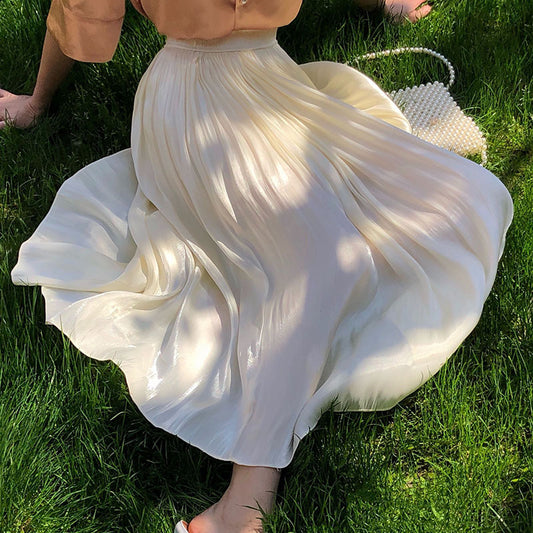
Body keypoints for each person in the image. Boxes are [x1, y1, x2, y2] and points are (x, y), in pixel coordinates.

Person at [4, 1, 512, 533]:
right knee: (327, 261)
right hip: (191, 104)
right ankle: (246, 495)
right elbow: (80, 8)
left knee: (472, 196)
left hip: (273, 87)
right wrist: (36, 101)